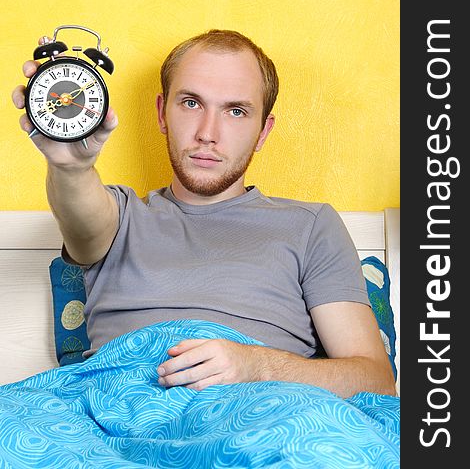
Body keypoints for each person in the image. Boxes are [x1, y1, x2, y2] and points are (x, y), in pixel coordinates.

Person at [12, 29, 396, 398]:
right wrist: (70, 167)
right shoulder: (121, 217)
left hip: (259, 416)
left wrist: (257, 365)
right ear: (163, 113)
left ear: (263, 131)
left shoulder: (311, 227)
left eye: (236, 111)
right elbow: (82, 217)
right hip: (107, 414)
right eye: (191, 103)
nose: (207, 133)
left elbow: (377, 381)